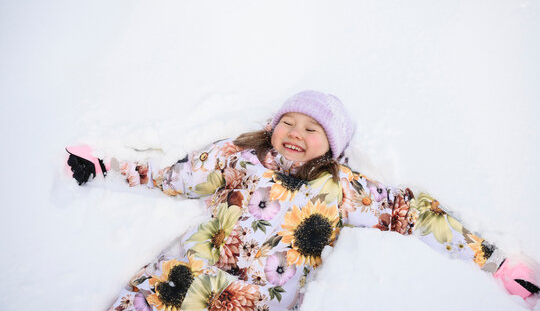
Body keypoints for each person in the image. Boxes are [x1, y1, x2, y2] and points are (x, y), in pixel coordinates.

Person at [66, 90, 539, 311]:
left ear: (332, 147)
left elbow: (415, 215)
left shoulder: (341, 188)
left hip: (252, 304)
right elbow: (174, 178)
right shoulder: (240, 156)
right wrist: (106, 166)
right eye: (289, 123)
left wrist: (495, 262)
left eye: (313, 130)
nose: (296, 133)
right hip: (177, 286)